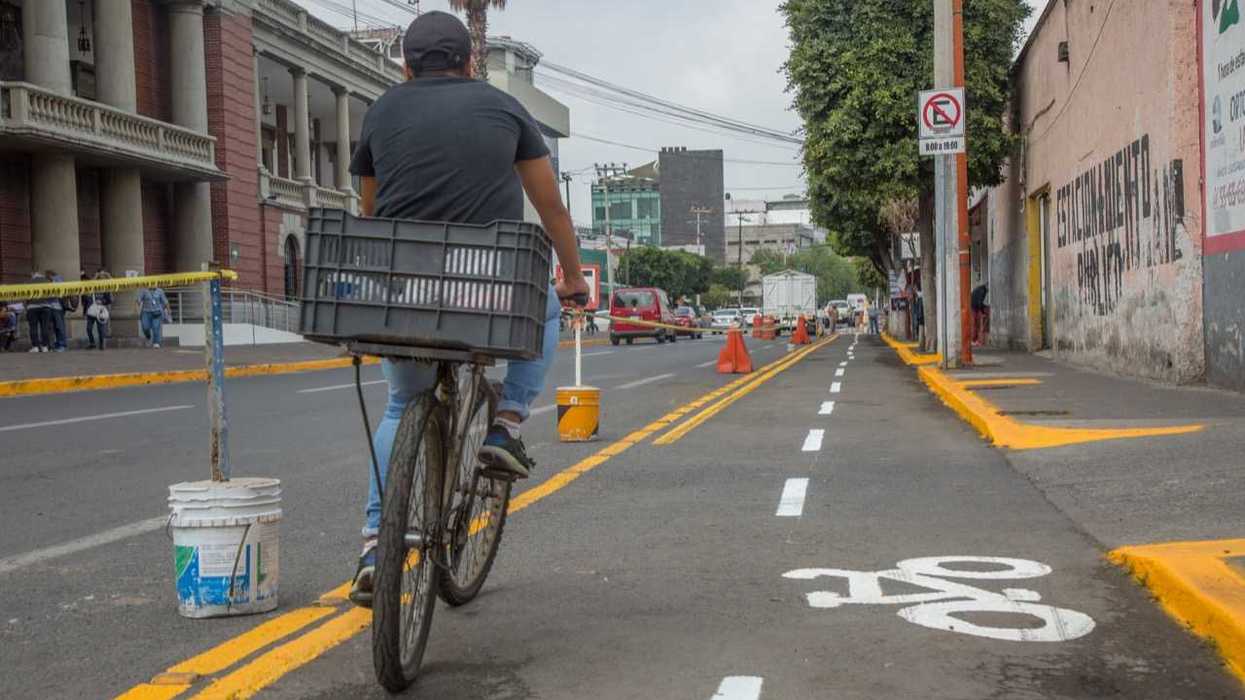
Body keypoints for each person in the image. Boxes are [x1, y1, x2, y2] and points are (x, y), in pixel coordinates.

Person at [345, 11, 587, 607]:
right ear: (470, 62)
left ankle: (377, 544)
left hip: (406, 292)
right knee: (547, 309)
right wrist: (575, 277)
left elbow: (373, 214)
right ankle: (505, 426)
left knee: (402, 403)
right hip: (484, 289)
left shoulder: (382, 111)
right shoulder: (506, 111)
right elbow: (549, 206)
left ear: (406, 64)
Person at [83, 271, 114, 350]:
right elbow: (87, 298)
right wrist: (96, 276)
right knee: (88, 328)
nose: (101, 280)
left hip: (101, 310)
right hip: (91, 310)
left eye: (103, 278)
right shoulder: (92, 287)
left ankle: (101, 344)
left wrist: (102, 301)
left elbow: (109, 300)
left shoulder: (106, 288)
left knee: (101, 330)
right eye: (100, 278)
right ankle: (92, 343)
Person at [25, 272, 51, 353]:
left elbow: (26, 295)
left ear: (33, 275)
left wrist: (27, 305)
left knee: (33, 327)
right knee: (45, 327)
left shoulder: (29, 282)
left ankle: (35, 346)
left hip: (32, 307)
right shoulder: (47, 282)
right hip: (45, 307)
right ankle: (45, 346)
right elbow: (52, 294)